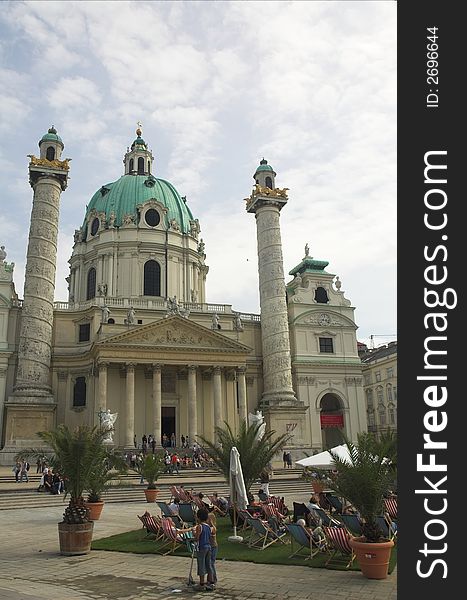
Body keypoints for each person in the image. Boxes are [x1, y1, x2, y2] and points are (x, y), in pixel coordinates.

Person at [193, 508, 214, 592]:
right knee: (208, 564)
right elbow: (210, 536)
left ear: (198, 517)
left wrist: (194, 535)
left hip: (201, 548)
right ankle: (211, 582)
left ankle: (202, 584)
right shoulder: (208, 526)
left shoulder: (199, 527)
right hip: (208, 547)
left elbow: (197, 538)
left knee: (201, 564)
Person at [207, 512, 218, 586]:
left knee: (211, 563)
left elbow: (212, 531)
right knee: (210, 563)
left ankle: (213, 578)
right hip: (210, 546)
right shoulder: (209, 527)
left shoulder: (212, 528)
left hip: (213, 547)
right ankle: (210, 578)